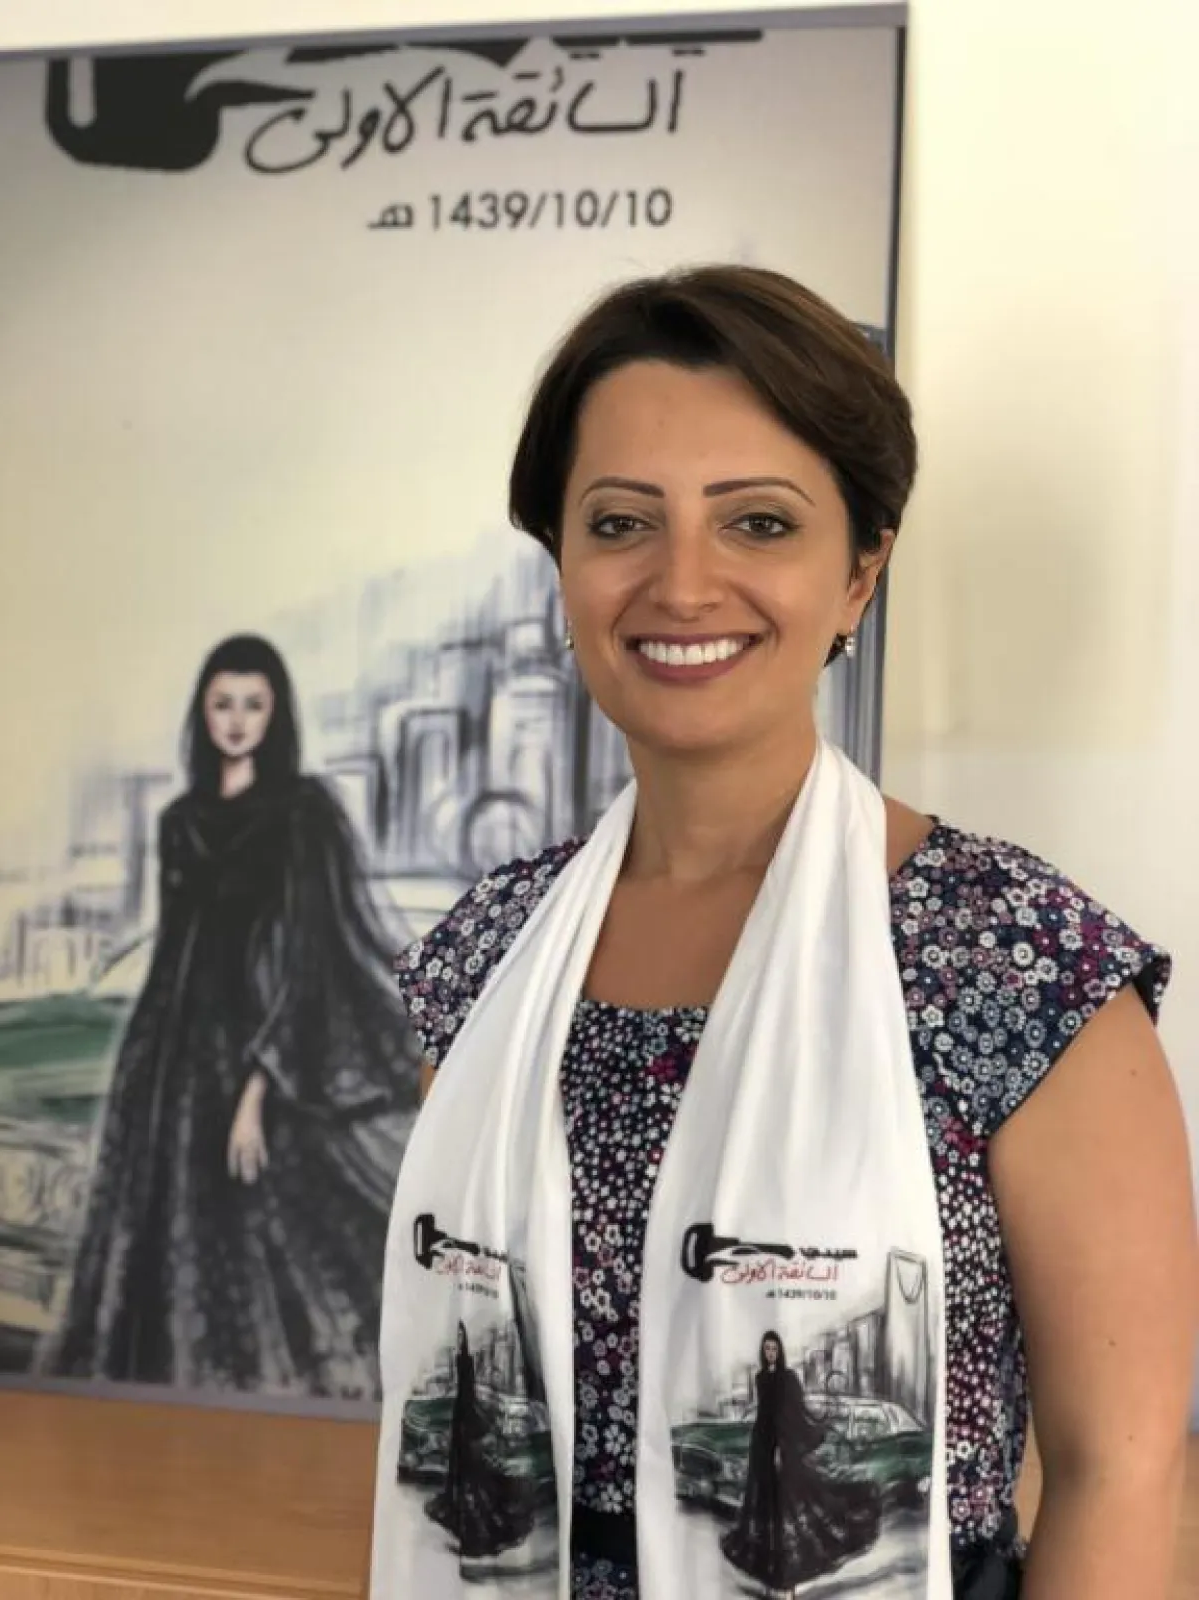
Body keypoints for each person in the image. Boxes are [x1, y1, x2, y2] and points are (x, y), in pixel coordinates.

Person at [382, 267, 1197, 1600]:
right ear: (564, 569)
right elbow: (439, 1403)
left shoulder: (1015, 966)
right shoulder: (487, 958)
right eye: (621, 523)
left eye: (757, 522)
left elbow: (1122, 1471)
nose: (682, 582)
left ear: (859, 574)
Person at [46, 634, 419, 1396]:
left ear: (275, 714)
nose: (238, 720)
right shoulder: (180, 820)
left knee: (276, 1233)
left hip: (262, 1054)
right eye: (223, 704)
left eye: (254, 704)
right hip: (171, 1063)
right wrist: (145, 1076)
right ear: (203, 713)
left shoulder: (304, 815)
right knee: (164, 1234)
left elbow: (306, 957)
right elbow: (175, 951)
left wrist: (257, 1089)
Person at [719, 1330, 881, 1594]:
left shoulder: (789, 1377)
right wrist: (762, 1447)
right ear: (763, 1351)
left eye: (774, 1348)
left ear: (780, 1351)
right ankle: (770, 1577)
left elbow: (794, 1411)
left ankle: (789, 1582)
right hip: (761, 1445)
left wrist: (789, 1442)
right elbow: (764, 1413)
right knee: (765, 1509)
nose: (770, 1353)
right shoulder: (759, 1378)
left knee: (790, 1508)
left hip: (783, 1447)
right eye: (767, 1349)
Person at [425, 1322, 536, 1560]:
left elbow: (467, 1393)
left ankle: (477, 1534)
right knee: (469, 1475)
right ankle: (474, 1529)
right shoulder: (463, 1361)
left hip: (466, 1418)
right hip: (463, 1419)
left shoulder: (467, 1362)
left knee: (474, 1477)